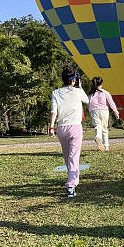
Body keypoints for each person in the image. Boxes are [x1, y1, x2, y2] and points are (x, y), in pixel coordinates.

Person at [49, 66, 89, 198]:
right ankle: (71, 184)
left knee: (68, 157)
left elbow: (54, 111)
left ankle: (72, 178)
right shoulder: (78, 91)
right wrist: (80, 86)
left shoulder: (55, 93)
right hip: (75, 127)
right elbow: (87, 100)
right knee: (73, 157)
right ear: (73, 80)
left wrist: (51, 127)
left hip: (61, 128)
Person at [88, 76, 120, 151]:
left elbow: (89, 103)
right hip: (104, 111)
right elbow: (111, 102)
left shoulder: (90, 94)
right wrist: (116, 112)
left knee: (97, 126)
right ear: (101, 83)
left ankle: (97, 137)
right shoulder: (105, 92)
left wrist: (90, 111)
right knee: (104, 128)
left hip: (94, 111)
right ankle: (106, 146)